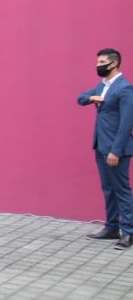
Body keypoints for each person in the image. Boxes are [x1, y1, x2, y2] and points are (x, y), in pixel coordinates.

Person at [78, 48, 133, 250]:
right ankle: (112, 227)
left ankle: (128, 232)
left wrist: (115, 151)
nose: (97, 65)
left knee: (122, 190)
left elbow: (127, 123)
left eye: (101, 62)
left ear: (113, 64)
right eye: (96, 62)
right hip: (100, 146)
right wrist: (93, 98)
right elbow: (80, 98)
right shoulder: (102, 86)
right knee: (108, 189)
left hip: (116, 150)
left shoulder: (124, 88)